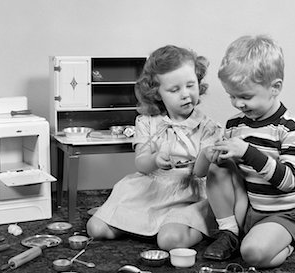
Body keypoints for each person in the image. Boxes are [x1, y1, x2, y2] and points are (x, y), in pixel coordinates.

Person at [87, 45, 223, 251]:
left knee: (169, 241)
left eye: (190, 85)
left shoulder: (208, 127)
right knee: (95, 229)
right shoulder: (147, 122)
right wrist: (156, 159)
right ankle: (136, 221)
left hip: (187, 194)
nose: (186, 94)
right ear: (157, 93)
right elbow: (141, 164)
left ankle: (192, 226)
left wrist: (205, 156)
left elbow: (201, 172)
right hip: (152, 189)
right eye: (175, 90)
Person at [202, 35, 295, 268]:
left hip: (280, 215)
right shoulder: (234, 125)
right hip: (246, 207)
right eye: (232, 96)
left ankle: (291, 240)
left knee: (252, 254)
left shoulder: (291, 130)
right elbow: (217, 172)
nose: (238, 103)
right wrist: (216, 155)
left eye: (245, 96)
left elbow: (289, 181)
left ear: (275, 88)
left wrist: (247, 151)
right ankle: (229, 231)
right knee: (217, 166)